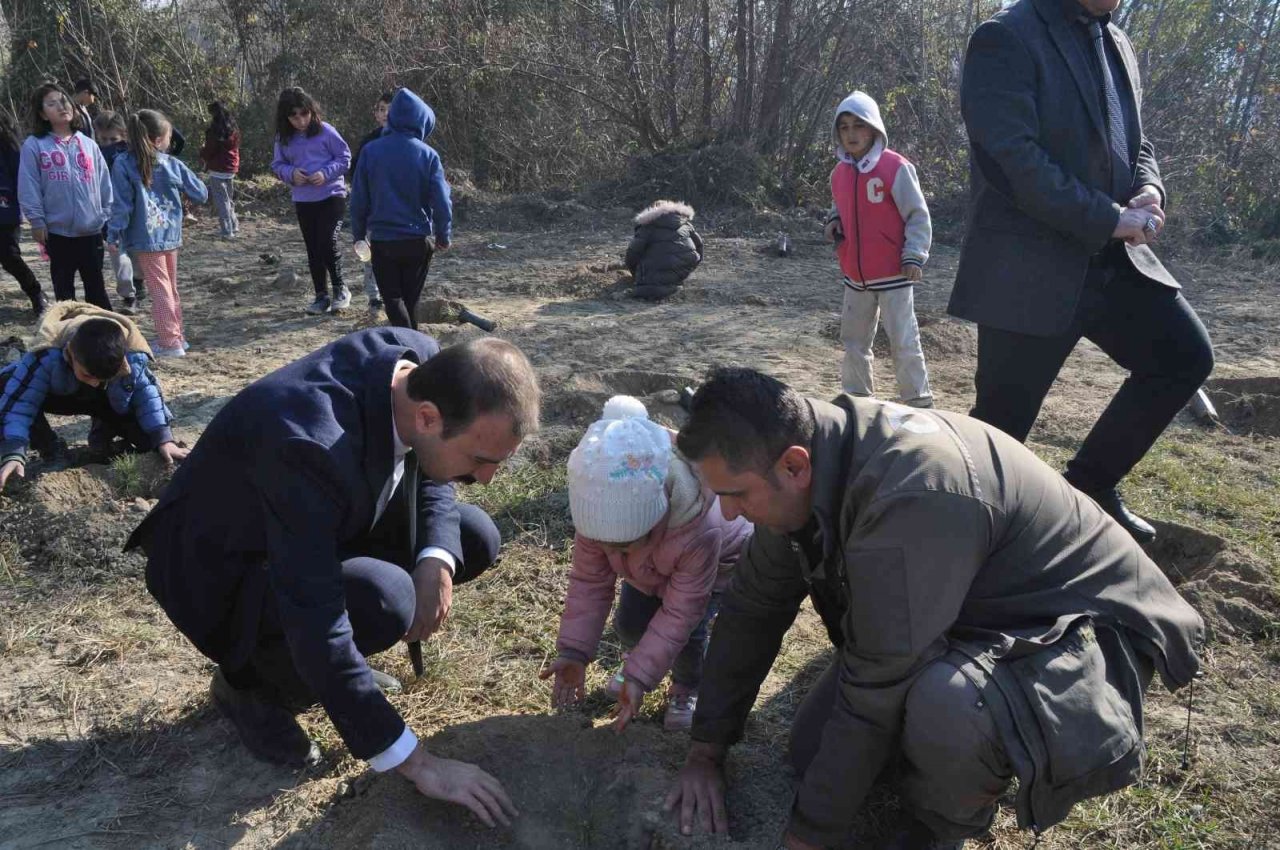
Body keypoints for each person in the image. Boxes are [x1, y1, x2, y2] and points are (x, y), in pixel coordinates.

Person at [664, 367, 1203, 850]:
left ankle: (944, 827)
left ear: (794, 466)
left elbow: (876, 687)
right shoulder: (805, 460)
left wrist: (807, 838)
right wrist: (706, 752)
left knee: (947, 708)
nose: (730, 515)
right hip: (971, 609)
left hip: (1084, 629)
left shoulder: (909, 496)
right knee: (811, 753)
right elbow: (750, 611)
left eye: (735, 495)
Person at [125, 330, 540, 829]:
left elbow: (432, 478)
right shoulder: (305, 444)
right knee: (384, 599)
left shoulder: (423, 366)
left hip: (310, 523)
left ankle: (324, 672)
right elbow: (316, 618)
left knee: (470, 537)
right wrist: (418, 763)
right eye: (480, 460)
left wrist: (436, 559)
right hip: (219, 574)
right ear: (427, 417)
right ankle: (252, 686)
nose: (488, 479)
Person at [948, 0, 1215, 542]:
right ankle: (964, 544)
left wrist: (1150, 187)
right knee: (1000, 431)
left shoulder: (1115, 40)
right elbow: (1010, 158)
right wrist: (1109, 217)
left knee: (1183, 357)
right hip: (1028, 272)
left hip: (1116, 262)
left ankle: (1089, 486)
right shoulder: (1005, 37)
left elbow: (1136, 140)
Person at [540, 396, 751, 732]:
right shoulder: (597, 518)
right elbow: (589, 584)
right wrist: (575, 651)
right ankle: (637, 661)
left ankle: (686, 687)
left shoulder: (698, 526)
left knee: (689, 636)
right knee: (630, 624)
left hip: (715, 570)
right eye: (602, 542)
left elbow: (680, 613)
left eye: (622, 542)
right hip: (649, 568)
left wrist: (641, 678)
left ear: (655, 515)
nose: (608, 549)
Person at [0, 302, 185, 490]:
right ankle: (51, 449)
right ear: (71, 352)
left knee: (148, 443)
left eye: (102, 378)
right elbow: (20, 404)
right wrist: (13, 451)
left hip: (109, 399)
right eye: (88, 375)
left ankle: (104, 430)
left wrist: (164, 438)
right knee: (5, 383)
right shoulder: (46, 355)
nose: (94, 383)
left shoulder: (131, 356)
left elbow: (147, 397)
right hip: (60, 397)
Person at [824, 90, 933, 408]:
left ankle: (918, 400)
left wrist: (914, 254)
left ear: (874, 128)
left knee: (903, 340)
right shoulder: (839, 173)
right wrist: (833, 221)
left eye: (858, 125)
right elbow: (839, 205)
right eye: (844, 127)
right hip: (855, 276)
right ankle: (858, 399)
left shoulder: (895, 167)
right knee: (854, 340)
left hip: (895, 274)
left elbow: (917, 214)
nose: (851, 134)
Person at [107, 110, 209, 358]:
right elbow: (201, 193)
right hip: (170, 235)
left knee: (159, 290)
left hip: (145, 238)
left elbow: (122, 205)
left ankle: (169, 341)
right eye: (169, 137)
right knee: (170, 288)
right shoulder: (172, 163)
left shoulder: (122, 163)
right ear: (157, 140)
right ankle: (177, 337)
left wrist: (114, 234)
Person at [350, 87, 451, 330]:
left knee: (393, 301)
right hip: (417, 240)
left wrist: (358, 235)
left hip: (383, 241)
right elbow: (441, 201)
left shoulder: (371, 151)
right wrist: (443, 235)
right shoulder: (429, 155)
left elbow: (359, 199)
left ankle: (409, 347)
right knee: (410, 300)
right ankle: (414, 349)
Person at [18, 83, 113, 310]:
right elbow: (28, 185)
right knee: (64, 295)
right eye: (52, 104)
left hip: (91, 231)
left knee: (97, 291)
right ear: (42, 114)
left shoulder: (88, 144)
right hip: (58, 233)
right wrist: (37, 220)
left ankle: (103, 338)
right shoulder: (35, 146)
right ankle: (67, 339)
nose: (62, 107)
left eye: (64, 101)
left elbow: (104, 184)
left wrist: (107, 217)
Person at [271, 87, 352, 315]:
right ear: (286, 117)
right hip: (304, 200)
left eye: (304, 113)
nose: (300, 120)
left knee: (327, 241)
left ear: (312, 110)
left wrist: (326, 173)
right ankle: (321, 295)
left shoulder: (326, 131)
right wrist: (291, 174)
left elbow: (345, 158)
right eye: (294, 116)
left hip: (332, 196)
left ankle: (340, 289)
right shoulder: (283, 139)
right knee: (313, 248)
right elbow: (277, 165)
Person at [93, 110, 145, 315]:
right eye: (104, 139)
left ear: (124, 134)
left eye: (113, 139)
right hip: (110, 216)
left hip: (135, 214)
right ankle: (129, 295)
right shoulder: (94, 154)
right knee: (119, 257)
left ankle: (138, 284)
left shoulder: (133, 154)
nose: (108, 144)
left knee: (137, 256)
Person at [349, 91, 393, 312]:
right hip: (372, 209)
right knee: (370, 254)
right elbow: (355, 174)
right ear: (375, 113)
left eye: (391, 109)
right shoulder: (369, 142)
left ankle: (393, 294)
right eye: (382, 109)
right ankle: (374, 296)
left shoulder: (412, 141)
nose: (386, 114)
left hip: (398, 211)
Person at [0, 112, 46, 315]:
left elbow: (21, 177)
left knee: (9, 257)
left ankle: (36, 293)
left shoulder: (7, 142)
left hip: (5, 209)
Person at [624, 200, 702, 301]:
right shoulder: (686, 224)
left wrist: (636, 275)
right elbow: (699, 248)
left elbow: (632, 256)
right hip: (680, 274)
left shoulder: (647, 228)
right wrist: (686, 271)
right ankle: (674, 282)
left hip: (650, 283)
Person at [199, 101, 241, 239]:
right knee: (228, 198)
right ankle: (234, 225)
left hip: (218, 169)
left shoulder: (214, 131)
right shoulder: (233, 129)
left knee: (222, 201)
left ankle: (227, 231)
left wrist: (202, 151)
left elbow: (209, 151)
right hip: (231, 168)